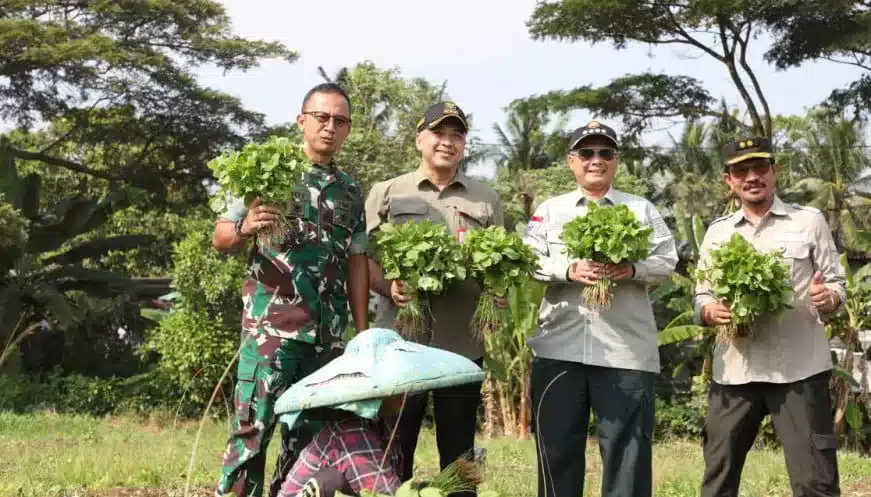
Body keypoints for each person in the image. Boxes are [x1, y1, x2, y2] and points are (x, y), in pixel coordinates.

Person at [212, 82, 370, 497]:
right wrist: (247, 227)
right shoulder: (269, 170)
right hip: (272, 332)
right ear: (302, 121)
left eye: (340, 120)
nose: (329, 127)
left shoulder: (352, 191)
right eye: (321, 117)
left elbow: (357, 260)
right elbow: (222, 236)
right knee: (251, 433)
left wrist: (359, 331)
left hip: (327, 339)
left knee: (311, 445)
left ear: (348, 129)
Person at [522, 120, 678, 497]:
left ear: (616, 161)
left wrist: (632, 269)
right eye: (587, 153)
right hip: (560, 348)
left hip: (626, 352)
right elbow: (527, 259)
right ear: (572, 161)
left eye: (605, 153)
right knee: (556, 450)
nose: (596, 160)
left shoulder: (641, 209)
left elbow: (668, 260)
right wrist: (567, 269)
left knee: (628, 455)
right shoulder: (550, 210)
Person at [364, 101, 504, 497]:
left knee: (459, 454)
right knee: (394, 446)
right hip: (401, 345)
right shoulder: (388, 192)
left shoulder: (486, 198)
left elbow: (501, 260)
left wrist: (496, 289)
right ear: (419, 139)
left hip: (461, 346)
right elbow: (362, 259)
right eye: (439, 133)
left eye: (457, 134)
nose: (448, 142)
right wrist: (388, 286)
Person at [694, 136, 846, 497]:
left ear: (774, 171)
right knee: (718, 478)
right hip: (735, 372)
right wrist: (709, 310)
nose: (751, 176)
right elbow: (701, 293)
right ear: (728, 180)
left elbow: (837, 283)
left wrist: (828, 298)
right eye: (740, 170)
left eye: (760, 167)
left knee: (815, 482)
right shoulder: (717, 232)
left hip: (800, 370)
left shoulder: (808, 221)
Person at [274, 327, 487, 497]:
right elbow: (381, 491)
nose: (404, 392)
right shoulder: (351, 432)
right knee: (331, 481)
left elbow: (384, 478)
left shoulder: (383, 424)